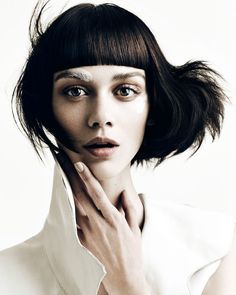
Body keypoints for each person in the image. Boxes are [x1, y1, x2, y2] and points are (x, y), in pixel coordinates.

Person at [0, 1, 235, 294]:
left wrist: (128, 283)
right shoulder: (6, 276)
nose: (101, 116)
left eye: (125, 90)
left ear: (153, 106)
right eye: (75, 91)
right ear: (47, 107)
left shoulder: (214, 247)